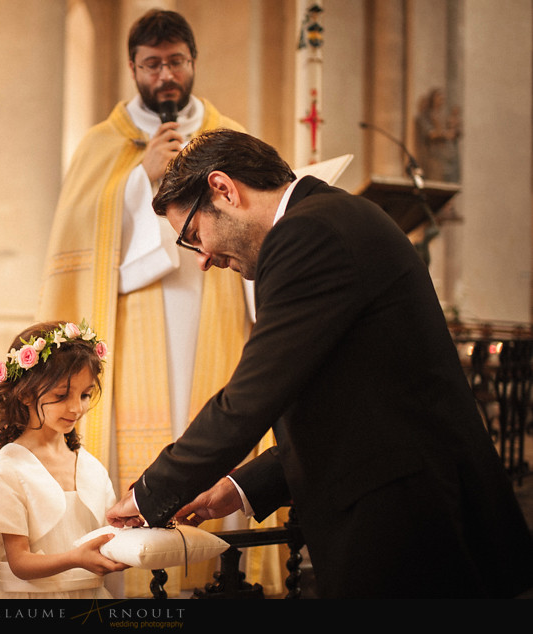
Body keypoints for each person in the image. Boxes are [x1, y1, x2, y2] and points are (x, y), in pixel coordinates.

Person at [107, 129, 533, 599]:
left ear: (224, 190)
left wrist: (151, 493)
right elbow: (356, 401)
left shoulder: (308, 232)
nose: (203, 258)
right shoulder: (331, 217)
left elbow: (251, 396)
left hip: (403, 521)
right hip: (409, 502)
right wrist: (240, 487)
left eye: (192, 236)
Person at [37, 6, 252, 533]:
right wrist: (139, 179)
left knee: (212, 418)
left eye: (175, 62)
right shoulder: (101, 144)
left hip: (214, 303)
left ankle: (215, 569)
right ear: (133, 68)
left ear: (193, 62)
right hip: (132, 310)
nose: (165, 76)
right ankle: (139, 568)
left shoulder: (231, 136)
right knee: (143, 431)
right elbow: (79, 229)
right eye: (151, 64)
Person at [0, 321, 128, 599]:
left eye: (85, 395)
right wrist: (75, 559)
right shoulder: (6, 470)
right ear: (24, 393)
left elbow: (108, 536)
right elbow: (20, 562)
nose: (76, 407)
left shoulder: (90, 467)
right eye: (61, 395)